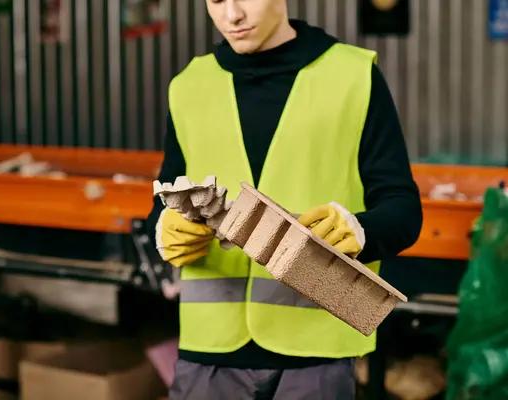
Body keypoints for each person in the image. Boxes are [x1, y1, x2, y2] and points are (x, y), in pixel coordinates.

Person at [145, 0, 423, 398]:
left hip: (317, 351)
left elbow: (403, 209)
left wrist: (360, 231)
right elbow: (166, 195)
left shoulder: (352, 76)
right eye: (217, 0)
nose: (232, 15)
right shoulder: (189, 85)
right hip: (209, 351)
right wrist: (165, 228)